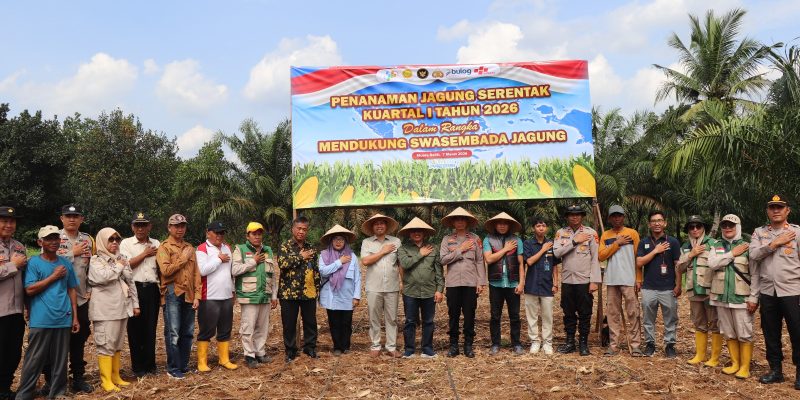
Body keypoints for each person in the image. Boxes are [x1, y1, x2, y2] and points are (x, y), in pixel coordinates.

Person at [15, 226, 80, 400]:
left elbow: (72, 289)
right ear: (40, 242)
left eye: (56, 238)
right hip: (41, 318)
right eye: (49, 239)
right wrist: (53, 276)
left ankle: (58, 393)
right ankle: (24, 394)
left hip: (63, 317)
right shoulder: (34, 263)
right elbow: (29, 289)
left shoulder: (66, 263)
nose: (53, 242)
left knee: (60, 360)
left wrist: (75, 316)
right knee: (34, 359)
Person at [748, 194, 800, 389]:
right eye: (772, 207)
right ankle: (776, 370)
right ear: (767, 211)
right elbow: (753, 255)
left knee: (798, 333)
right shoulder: (759, 233)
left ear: (787, 210)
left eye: (780, 207)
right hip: (768, 292)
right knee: (770, 333)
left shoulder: (797, 233)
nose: (776, 210)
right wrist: (775, 243)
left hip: (793, 291)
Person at [88, 228, 139, 392]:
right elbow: (102, 277)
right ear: (103, 241)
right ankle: (106, 380)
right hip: (105, 310)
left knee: (117, 344)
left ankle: (115, 376)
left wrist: (135, 304)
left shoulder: (122, 258)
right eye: (111, 239)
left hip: (122, 307)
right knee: (106, 344)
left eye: (117, 239)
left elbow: (131, 282)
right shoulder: (95, 260)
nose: (115, 242)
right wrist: (118, 266)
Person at [51, 204, 94, 393]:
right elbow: (48, 263)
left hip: (82, 298)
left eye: (76, 216)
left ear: (81, 219)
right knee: (56, 342)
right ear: (61, 218)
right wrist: (71, 253)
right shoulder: (53, 237)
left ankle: (78, 378)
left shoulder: (87, 240)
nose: (72, 219)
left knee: (79, 339)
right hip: (58, 299)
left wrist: (91, 289)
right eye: (68, 216)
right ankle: (54, 380)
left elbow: (90, 267)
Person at [708, 214, 753, 379]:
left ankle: (745, 366)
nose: (728, 228)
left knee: (744, 332)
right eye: (725, 225)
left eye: (731, 225)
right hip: (721, 297)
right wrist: (732, 254)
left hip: (741, 298)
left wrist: (754, 297)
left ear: (738, 227)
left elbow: (755, 274)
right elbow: (712, 264)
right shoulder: (716, 245)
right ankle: (735, 363)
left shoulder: (748, 246)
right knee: (728, 332)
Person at [156, 214, 201, 379]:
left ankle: (183, 365)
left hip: (189, 293)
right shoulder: (164, 247)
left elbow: (197, 273)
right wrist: (183, 259)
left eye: (182, 226)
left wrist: (197, 295)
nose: (180, 229)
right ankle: (173, 367)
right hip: (172, 291)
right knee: (173, 331)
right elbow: (166, 271)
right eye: (176, 226)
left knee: (188, 332)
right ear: (169, 228)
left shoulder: (190, 247)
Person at [553, 204, 601, 356]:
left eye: (578, 214)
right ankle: (570, 342)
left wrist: (594, 280)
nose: (575, 217)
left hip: (584, 280)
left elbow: (595, 258)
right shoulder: (561, 233)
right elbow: (557, 253)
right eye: (571, 214)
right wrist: (574, 241)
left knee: (585, 313)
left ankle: (583, 343)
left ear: (582, 216)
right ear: (567, 217)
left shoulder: (591, 233)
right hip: (567, 280)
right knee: (568, 313)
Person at [439, 207, 486, 358]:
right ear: (453, 222)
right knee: (453, 315)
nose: (459, 222)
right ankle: (453, 345)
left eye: (462, 219)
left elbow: (479, 261)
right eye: (457, 219)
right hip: (452, 283)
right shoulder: (447, 239)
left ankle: (468, 345)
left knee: (469, 314)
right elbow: (443, 259)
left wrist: (481, 282)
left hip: (470, 283)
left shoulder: (475, 239)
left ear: (467, 222)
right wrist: (460, 249)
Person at [231, 222, 278, 368]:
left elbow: (273, 275)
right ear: (248, 235)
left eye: (259, 233)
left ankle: (260, 352)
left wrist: (274, 295)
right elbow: (235, 270)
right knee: (248, 326)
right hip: (249, 295)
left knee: (262, 327)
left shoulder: (268, 250)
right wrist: (253, 261)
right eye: (254, 234)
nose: (257, 236)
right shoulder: (240, 249)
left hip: (265, 294)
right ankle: (249, 355)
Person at [636, 210, 682, 358]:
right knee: (648, 319)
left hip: (668, 288)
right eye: (654, 221)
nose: (657, 223)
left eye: (660, 220)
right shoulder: (644, 242)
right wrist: (656, 251)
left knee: (670, 319)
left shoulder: (673, 242)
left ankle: (670, 345)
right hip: (649, 287)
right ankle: (650, 344)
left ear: (665, 223)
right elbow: (639, 262)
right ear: (649, 224)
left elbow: (678, 265)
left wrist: (678, 284)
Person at [119, 212, 161, 377]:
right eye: (137, 225)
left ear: (149, 226)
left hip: (151, 288)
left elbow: (159, 268)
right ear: (132, 227)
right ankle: (137, 366)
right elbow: (126, 265)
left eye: (144, 225)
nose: (140, 228)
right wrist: (144, 254)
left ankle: (150, 364)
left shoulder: (156, 243)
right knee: (135, 328)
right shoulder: (126, 243)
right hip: (133, 288)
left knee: (150, 327)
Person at [598, 205, 643, 356]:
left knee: (633, 312)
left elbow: (638, 257)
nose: (617, 218)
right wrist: (617, 243)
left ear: (623, 217)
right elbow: (601, 256)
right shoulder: (605, 235)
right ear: (610, 218)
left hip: (629, 279)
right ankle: (614, 345)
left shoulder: (632, 234)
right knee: (612, 313)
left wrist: (638, 278)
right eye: (614, 216)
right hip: (611, 279)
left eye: (619, 215)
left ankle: (635, 345)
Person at [677, 215, 721, 366]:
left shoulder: (715, 244)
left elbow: (722, 265)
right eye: (691, 226)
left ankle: (714, 358)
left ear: (704, 228)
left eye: (698, 226)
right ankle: (700, 355)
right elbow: (680, 268)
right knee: (699, 323)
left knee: (715, 323)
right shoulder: (685, 247)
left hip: (711, 290)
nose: (695, 229)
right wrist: (690, 254)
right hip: (694, 290)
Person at [397, 217, 443, 359]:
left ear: (424, 233)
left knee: (428, 321)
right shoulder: (403, 248)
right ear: (409, 234)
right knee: (410, 321)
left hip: (430, 291)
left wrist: (439, 289)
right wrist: (420, 254)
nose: (417, 233)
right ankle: (409, 349)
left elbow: (438, 271)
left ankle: (427, 348)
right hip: (410, 291)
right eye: (413, 231)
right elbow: (404, 264)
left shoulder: (434, 248)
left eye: (419, 231)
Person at [195, 221, 237, 372]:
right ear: (208, 233)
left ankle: (224, 359)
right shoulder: (202, 249)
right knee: (206, 330)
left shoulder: (227, 247)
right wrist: (219, 259)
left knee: (225, 329)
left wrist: (232, 291)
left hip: (226, 295)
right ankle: (202, 362)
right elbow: (202, 270)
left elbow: (230, 273)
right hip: (209, 296)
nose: (219, 235)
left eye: (222, 233)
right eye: (216, 232)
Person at [360, 213, 402, 358]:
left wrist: (403, 281)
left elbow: (400, 263)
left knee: (392, 318)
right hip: (373, 286)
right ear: (372, 227)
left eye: (382, 223)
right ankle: (375, 345)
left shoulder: (396, 241)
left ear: (386, 226)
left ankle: (391, 347)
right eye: (376, 223)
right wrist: (383, 251)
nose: (379, 225)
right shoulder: (367, 242)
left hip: (392, 286)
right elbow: (365, 261)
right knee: (374, 317)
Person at [278, 216, 320, 362]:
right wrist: (300, 256)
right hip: (289, 293)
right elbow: (282, 264)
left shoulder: (311, 247)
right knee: (289, 323)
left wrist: (317, 288)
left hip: (308, 292)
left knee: (310, 322)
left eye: (304, 229)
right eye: (299, 229)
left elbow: (316, 269)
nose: (301, 232)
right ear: (293, 229)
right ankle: (290, 351)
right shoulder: (285, 246)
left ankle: (310, 348)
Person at [483, 212, 525, 356]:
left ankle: (516, 343)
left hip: (513, 283)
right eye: (499, 223)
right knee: (495, 315)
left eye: (505, 223)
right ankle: (495, 343)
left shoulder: (517, 240)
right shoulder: (488, 239)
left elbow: (520, 263)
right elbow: (489, 259)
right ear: (495, 225)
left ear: (509, 225)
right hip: (496, 284)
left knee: (515, 315)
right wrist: (506, 249)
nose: (502, 225)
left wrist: (521, 283)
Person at [318, 224, 361, 356]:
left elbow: (357, 277)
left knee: (346, 322)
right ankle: (337, 346)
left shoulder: (352, 256)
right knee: (334, 322)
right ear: (331, 241)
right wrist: (339, 262)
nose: (338, 242)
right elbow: (323, 271)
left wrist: (356, 296)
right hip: (331, 294)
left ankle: (346, 346)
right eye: (335, 239)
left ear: (345, 241)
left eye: (341, 239)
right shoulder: (324, 255)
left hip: (347, 295)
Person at [522, 217, 561, 355]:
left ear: (547, 228)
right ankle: (534, 342)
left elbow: (555, 265)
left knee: (547, 316)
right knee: (531, 316)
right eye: (538, 226)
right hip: (531, 285)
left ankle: (547, 343)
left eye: (543, 226)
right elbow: (530, 261)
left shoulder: (552, 243)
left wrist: (556, 283)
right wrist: (543, 249)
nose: (541, 228)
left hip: (547, 285)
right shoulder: (528, 243)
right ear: (534, 228)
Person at [0, 206, 26, 399]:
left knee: (13, 353)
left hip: (16, 311)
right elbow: (15, 269)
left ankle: (5, 388)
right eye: (4, 221)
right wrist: (12, 266)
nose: (9, 225)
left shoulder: (19, 246)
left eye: (12, 221)